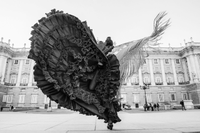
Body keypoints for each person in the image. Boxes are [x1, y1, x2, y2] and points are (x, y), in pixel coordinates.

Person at [28, 9, 169, 130]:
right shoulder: (98, 54)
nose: (109, 45)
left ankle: (108, 118)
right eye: (108, 44)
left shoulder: (105, 59)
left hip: (95, 79)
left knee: (98, 99)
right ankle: (108, 118)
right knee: (96, 97)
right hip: (91, 78)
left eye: (109, 44)